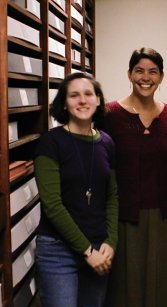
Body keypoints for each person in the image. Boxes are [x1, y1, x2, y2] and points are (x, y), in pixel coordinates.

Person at [34, 72, 118, 307]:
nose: (82, 100)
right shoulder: (51, 142)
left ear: (98, 100)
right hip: (58, 251)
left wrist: (111, 242)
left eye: (88, 94)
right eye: (74, 95)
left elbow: (111, 198)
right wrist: (87, 252)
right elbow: (52, 206)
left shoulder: (107, 143)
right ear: (64, 103)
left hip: (99, 247)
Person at [103, 47, 167, 307]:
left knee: (161, 287)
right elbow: (102, 166)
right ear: (129, 74)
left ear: (161, 77)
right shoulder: (110, 113)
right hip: (124, 217)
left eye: (153, 72)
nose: (145, 78)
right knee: (126, 290)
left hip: (163, 217)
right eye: (139, 71)